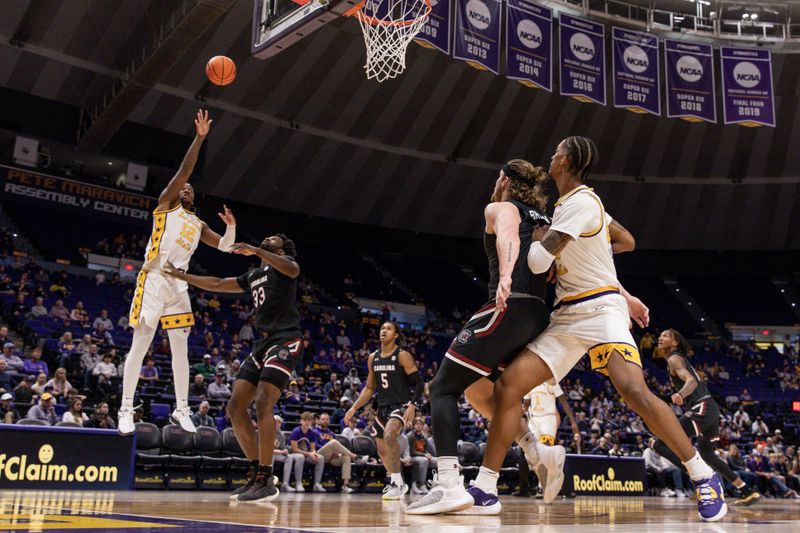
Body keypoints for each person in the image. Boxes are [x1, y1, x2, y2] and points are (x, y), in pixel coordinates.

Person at [445, 138, 725, 522]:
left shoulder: (583, 202)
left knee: (633, 390)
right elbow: (623, 240)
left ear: (565, 161)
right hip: (566, 317)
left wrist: (610, 286)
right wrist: (600, 261)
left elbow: (540, 261)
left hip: (601, 311)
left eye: (556, 152)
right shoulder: (567, 208)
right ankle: (486, 486)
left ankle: (703, 474)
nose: (552, 157)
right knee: (509, 386)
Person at [407, 160, 560, 515]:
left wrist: (506, 275)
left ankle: (448, 483)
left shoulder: (501, 206)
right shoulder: (544, 220)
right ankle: (535, 450)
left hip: (509, 305)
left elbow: (507, 235)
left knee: (442, 388)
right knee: (479, 390)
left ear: (505, 180)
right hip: (537, 315)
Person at [118, 109, 237, 436]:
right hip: (154, 277)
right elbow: (185, 170)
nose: (185, 188)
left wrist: (231, 228)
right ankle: (126, 407)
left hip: (179, 285)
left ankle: (182, 409)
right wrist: (199, 139)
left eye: (189, 189)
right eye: (182, 186)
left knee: (181, 349)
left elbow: (226, 247)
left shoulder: (197, 223)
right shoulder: (166, 204)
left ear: (195, 196)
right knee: (140, 343)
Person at [164, 233, 301, 503]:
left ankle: (266, 476)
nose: (268, 238)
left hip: (286, 338)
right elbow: (217, 283)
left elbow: (292, 268)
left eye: (272, 238)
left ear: (281, 247)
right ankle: (255, 472)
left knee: (263, 402)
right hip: (263, 343)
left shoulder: (286, 265)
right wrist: (183, 277)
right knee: (235, 408)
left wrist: (255, 249)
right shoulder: (253, 275)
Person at [652, 328, 760, 507]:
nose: (660, 337)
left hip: (701, 407)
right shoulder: (676, 359)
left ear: (675, 342)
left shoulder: (674, 358)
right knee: (708, 454)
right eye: (661, 335)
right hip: (709, 408)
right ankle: (747, 491)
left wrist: (680, 394)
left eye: (666, 335)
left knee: (659, 443)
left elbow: (691, 382)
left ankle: (703, 479)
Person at [345, 321, 423, 499]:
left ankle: (395, 482)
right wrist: (354, 407)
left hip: (401, 405)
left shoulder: (402, 355)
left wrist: (412, 405)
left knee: (389, 435)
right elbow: (370, 388)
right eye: (382, 328)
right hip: (383, 406)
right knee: (381, 450)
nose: (383, 331)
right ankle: (399, 482)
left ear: (396, 335)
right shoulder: (373, 357)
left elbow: (418, 383)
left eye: (388, 329)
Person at [519, 380, 580, 498]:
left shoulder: (551, 381)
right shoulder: (530, 383)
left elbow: (563, 401)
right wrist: (522, 408)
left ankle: (542, 487)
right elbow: (526, 403)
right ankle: (526, 488)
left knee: (545, 452)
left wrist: (573, 421)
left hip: (548, 419)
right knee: (528, 454)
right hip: (533, 420)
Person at [315, 412, 358, 493]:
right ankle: (354, 456)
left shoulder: (332, 434)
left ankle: (345, 485)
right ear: (319, 421)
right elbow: (315, 446)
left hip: (331, 457)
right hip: (319, 455)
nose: (325, 421)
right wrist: (330, 450)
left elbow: (337, 449)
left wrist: (338, 454)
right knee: (334, 442)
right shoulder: (315, 432)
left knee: (346, 457)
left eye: (327, 419)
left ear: (329, 421)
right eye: (323, 419)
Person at [287, 411, 326, 493]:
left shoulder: (312, 432)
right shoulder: (296, 431)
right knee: (300, 457)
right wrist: (309, 454)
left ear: (311, 422)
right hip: (293, 453)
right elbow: (294, 449)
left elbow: (312, 448)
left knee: (320, 458)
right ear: (301, 421)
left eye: (309, 420)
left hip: (305, 453)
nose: (307, 422)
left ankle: (317, 484)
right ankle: (298, 483)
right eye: (305, 420)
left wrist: (314, 454)